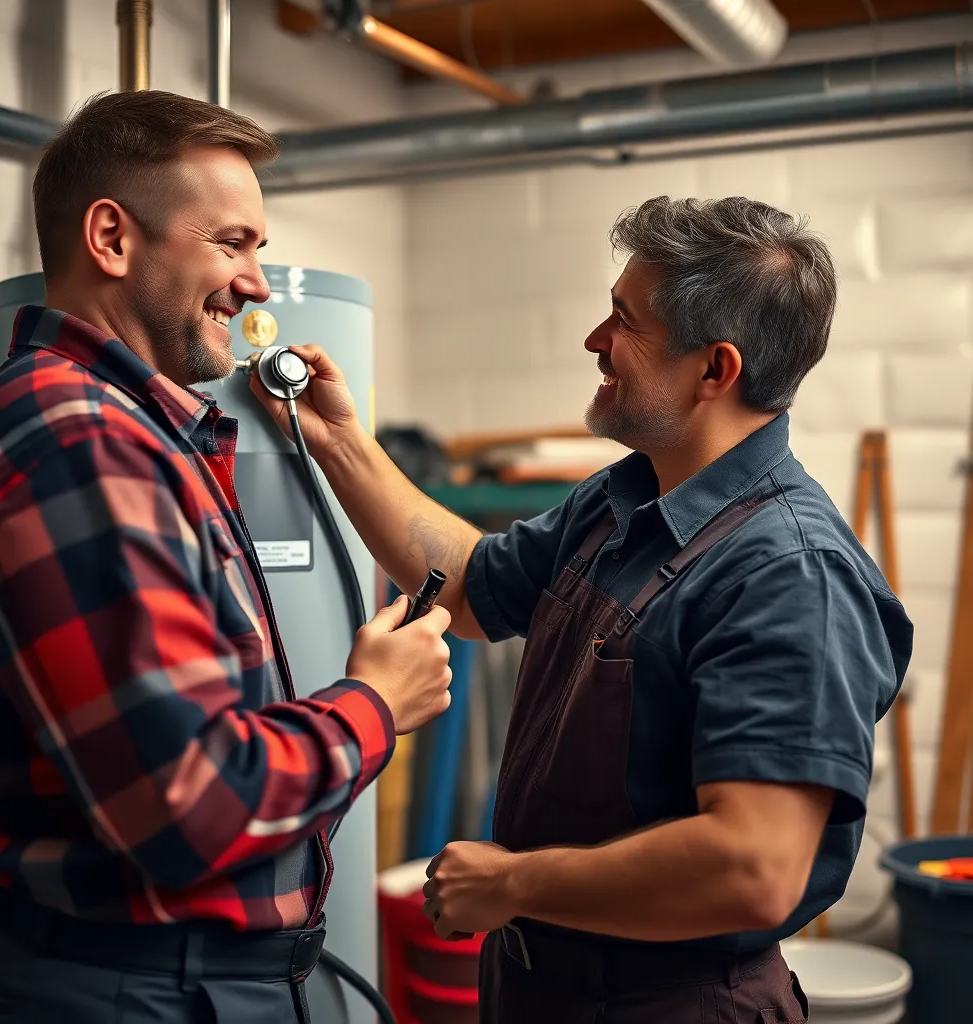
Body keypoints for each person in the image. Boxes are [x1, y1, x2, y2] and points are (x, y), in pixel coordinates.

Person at [252, 196, 914, 1022]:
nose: (595, 341)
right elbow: (467, 587)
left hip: (669, 1005)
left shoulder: (789, 574)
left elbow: (755, 865)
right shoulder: (625, 497)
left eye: (622, 320)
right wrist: (342, 440)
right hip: (543, 986)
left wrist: (513, 883)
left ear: (716, 370)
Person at [0, 90, 453, 1024]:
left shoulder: (132, 435)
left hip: (184, 981)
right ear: (111, 238)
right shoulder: (80, 442)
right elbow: (191, 803)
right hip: (138, 990)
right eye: (232, 243)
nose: (258, 284)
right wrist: (375, 703)